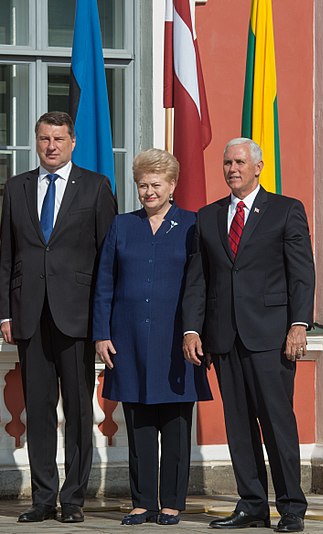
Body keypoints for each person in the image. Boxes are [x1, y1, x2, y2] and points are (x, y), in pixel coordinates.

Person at [182, 138, 315, 533]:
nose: (232, 169)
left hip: (271, 337)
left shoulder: (286, 210)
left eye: (239, 162)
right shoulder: (207, 217)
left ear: (258, 167)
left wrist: (299, 324)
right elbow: (198, 280)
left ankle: (291, 507)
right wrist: (192, 328)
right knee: (238, 427)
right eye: (227, 163)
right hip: (224, 338)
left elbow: (301, 274)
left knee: (277, 424)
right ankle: (252, 504)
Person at [0, 111, 117, 523]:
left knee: (80, 410)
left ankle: (74, 499)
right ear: (36, 141)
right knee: (39, 407)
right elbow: (7, 255)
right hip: (30, 314)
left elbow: (108, 259)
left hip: (78, 316)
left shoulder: (97, 188)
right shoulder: (16, 188)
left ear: (73, 142)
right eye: (45, 138)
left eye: (59, 139)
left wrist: (104, 319)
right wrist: (4, 313)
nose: (51, 146)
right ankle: (43, 498)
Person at [92, 149, 212, 526]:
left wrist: (196, 331)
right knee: (140, 424)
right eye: (142, 185)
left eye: (155, 185)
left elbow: (201, 285)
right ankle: (142, 502)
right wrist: (101, 333)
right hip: (128, 339)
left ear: (172, 186)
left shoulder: (193, 225)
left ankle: (172, 503)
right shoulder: (121, 226)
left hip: (177, 340)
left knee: (176, 426)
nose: (148, 191)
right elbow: (104, 282)